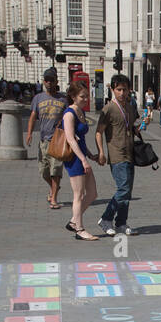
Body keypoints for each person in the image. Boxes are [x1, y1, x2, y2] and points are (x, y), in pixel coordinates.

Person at [95, 73, 140, 237]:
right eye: (119, 89)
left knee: (127, 192)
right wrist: (101, 152)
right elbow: (99, 132)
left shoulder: (129, 106)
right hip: (116, 153)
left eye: (125, 89)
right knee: (123, 189)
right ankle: (106, 218)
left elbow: (130, 128)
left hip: (129, 152)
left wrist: (140, 127)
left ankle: (121, 223)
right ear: (113, 90)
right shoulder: (108, 109)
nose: (122, 93)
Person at [60, 80, 99, 241]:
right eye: (82, 96)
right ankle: (79, 229)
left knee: (92, 193)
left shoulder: (81, 112)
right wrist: (83, 160)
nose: (85, 99)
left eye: (87, 96)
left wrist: (90, 155)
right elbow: (71, 139)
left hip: (82, 156)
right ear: (73, 96)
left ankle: (74, 221)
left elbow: (80, 139)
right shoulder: (69, 114)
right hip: (74, 159)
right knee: (79, 195)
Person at [25, 68, 68, 210]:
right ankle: (54, 188)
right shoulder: (38, 98)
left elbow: (70, 117)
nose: (49, 82)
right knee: (44, 171)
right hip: (43, 141)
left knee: (55, 170)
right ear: (43, 81)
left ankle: (54, 198)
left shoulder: (63, 99)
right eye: (46, 80)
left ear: (56, 81)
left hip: (57, 140)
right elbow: (32, 116)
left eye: (51, 80)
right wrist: (29, 133)